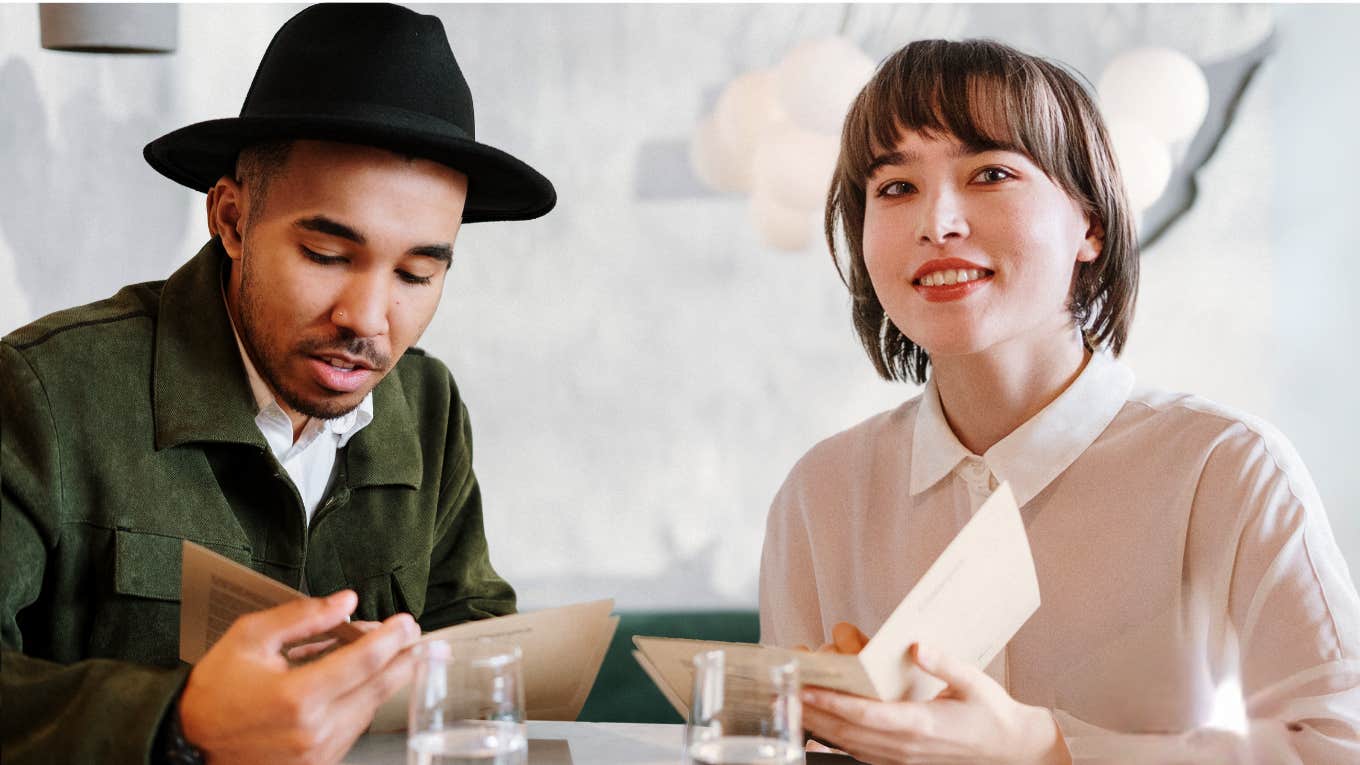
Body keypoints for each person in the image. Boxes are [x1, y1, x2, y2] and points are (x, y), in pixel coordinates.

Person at [759, 39, 1360, 764]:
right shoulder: (819, 494)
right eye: (895, 187)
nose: (937, 222)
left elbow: (1337, 743)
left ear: (1092, 224)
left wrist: (1045, 747)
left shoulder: (1225, 468)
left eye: (990, 173)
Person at [1, 4, 556, 764]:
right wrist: (180, 718)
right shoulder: (44, 392)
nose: (367, 317)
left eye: (417, 273)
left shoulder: (430, 409)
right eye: (327, 253)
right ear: (230, 218)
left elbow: (473, 631)